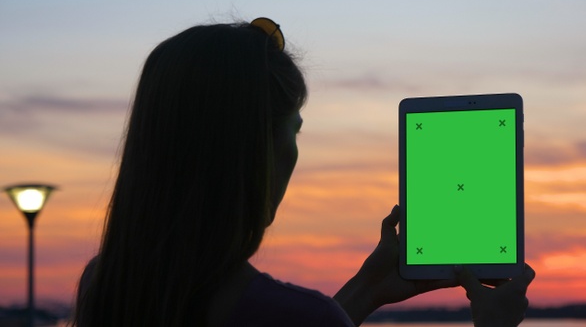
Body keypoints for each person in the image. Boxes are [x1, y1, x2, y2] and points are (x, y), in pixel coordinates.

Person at [72, 18, 535, 327]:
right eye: (293, 130)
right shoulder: (298, 317)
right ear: (258, 150)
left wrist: (367, 288)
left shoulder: (106, 288)